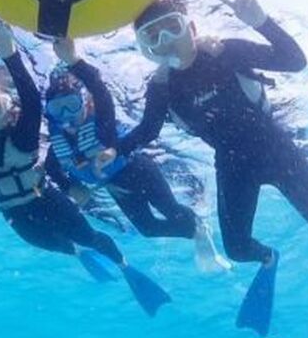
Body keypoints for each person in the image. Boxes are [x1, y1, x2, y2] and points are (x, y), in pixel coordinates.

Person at [124, 0, 308, 334]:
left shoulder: (226, 51)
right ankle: (269, 258)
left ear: (192, 28)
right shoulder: (161, 89)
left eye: (173, 28)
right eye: (153, 37)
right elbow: (147, 131)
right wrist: (110, 151)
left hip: (275, 148)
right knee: (238, 250)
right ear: (146, 49)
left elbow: (294, 61)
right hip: (232, 165)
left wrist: (261, 21)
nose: (166, 40)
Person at [0, 20, 171, 317]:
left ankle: (124, 267)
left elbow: (32, 101)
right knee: (53, 244)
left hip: (44, 199)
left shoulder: (21, 139)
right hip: (13, 215)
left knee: (89, 237)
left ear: (9, 114)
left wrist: (11, 55)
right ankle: (77, 254)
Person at [44, 38, 230, 274]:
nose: (65, 115)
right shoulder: (57, 144)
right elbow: (51, 168)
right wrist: (70, 187)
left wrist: (74, 61)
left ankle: (199, 227)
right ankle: (195, 231)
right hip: (115, 186)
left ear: (84, 102)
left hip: (139, 170)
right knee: (148, 229)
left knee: (171, 210)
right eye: (56, 109)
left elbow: (99, 90)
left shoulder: (101, 123)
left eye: (71, 105)